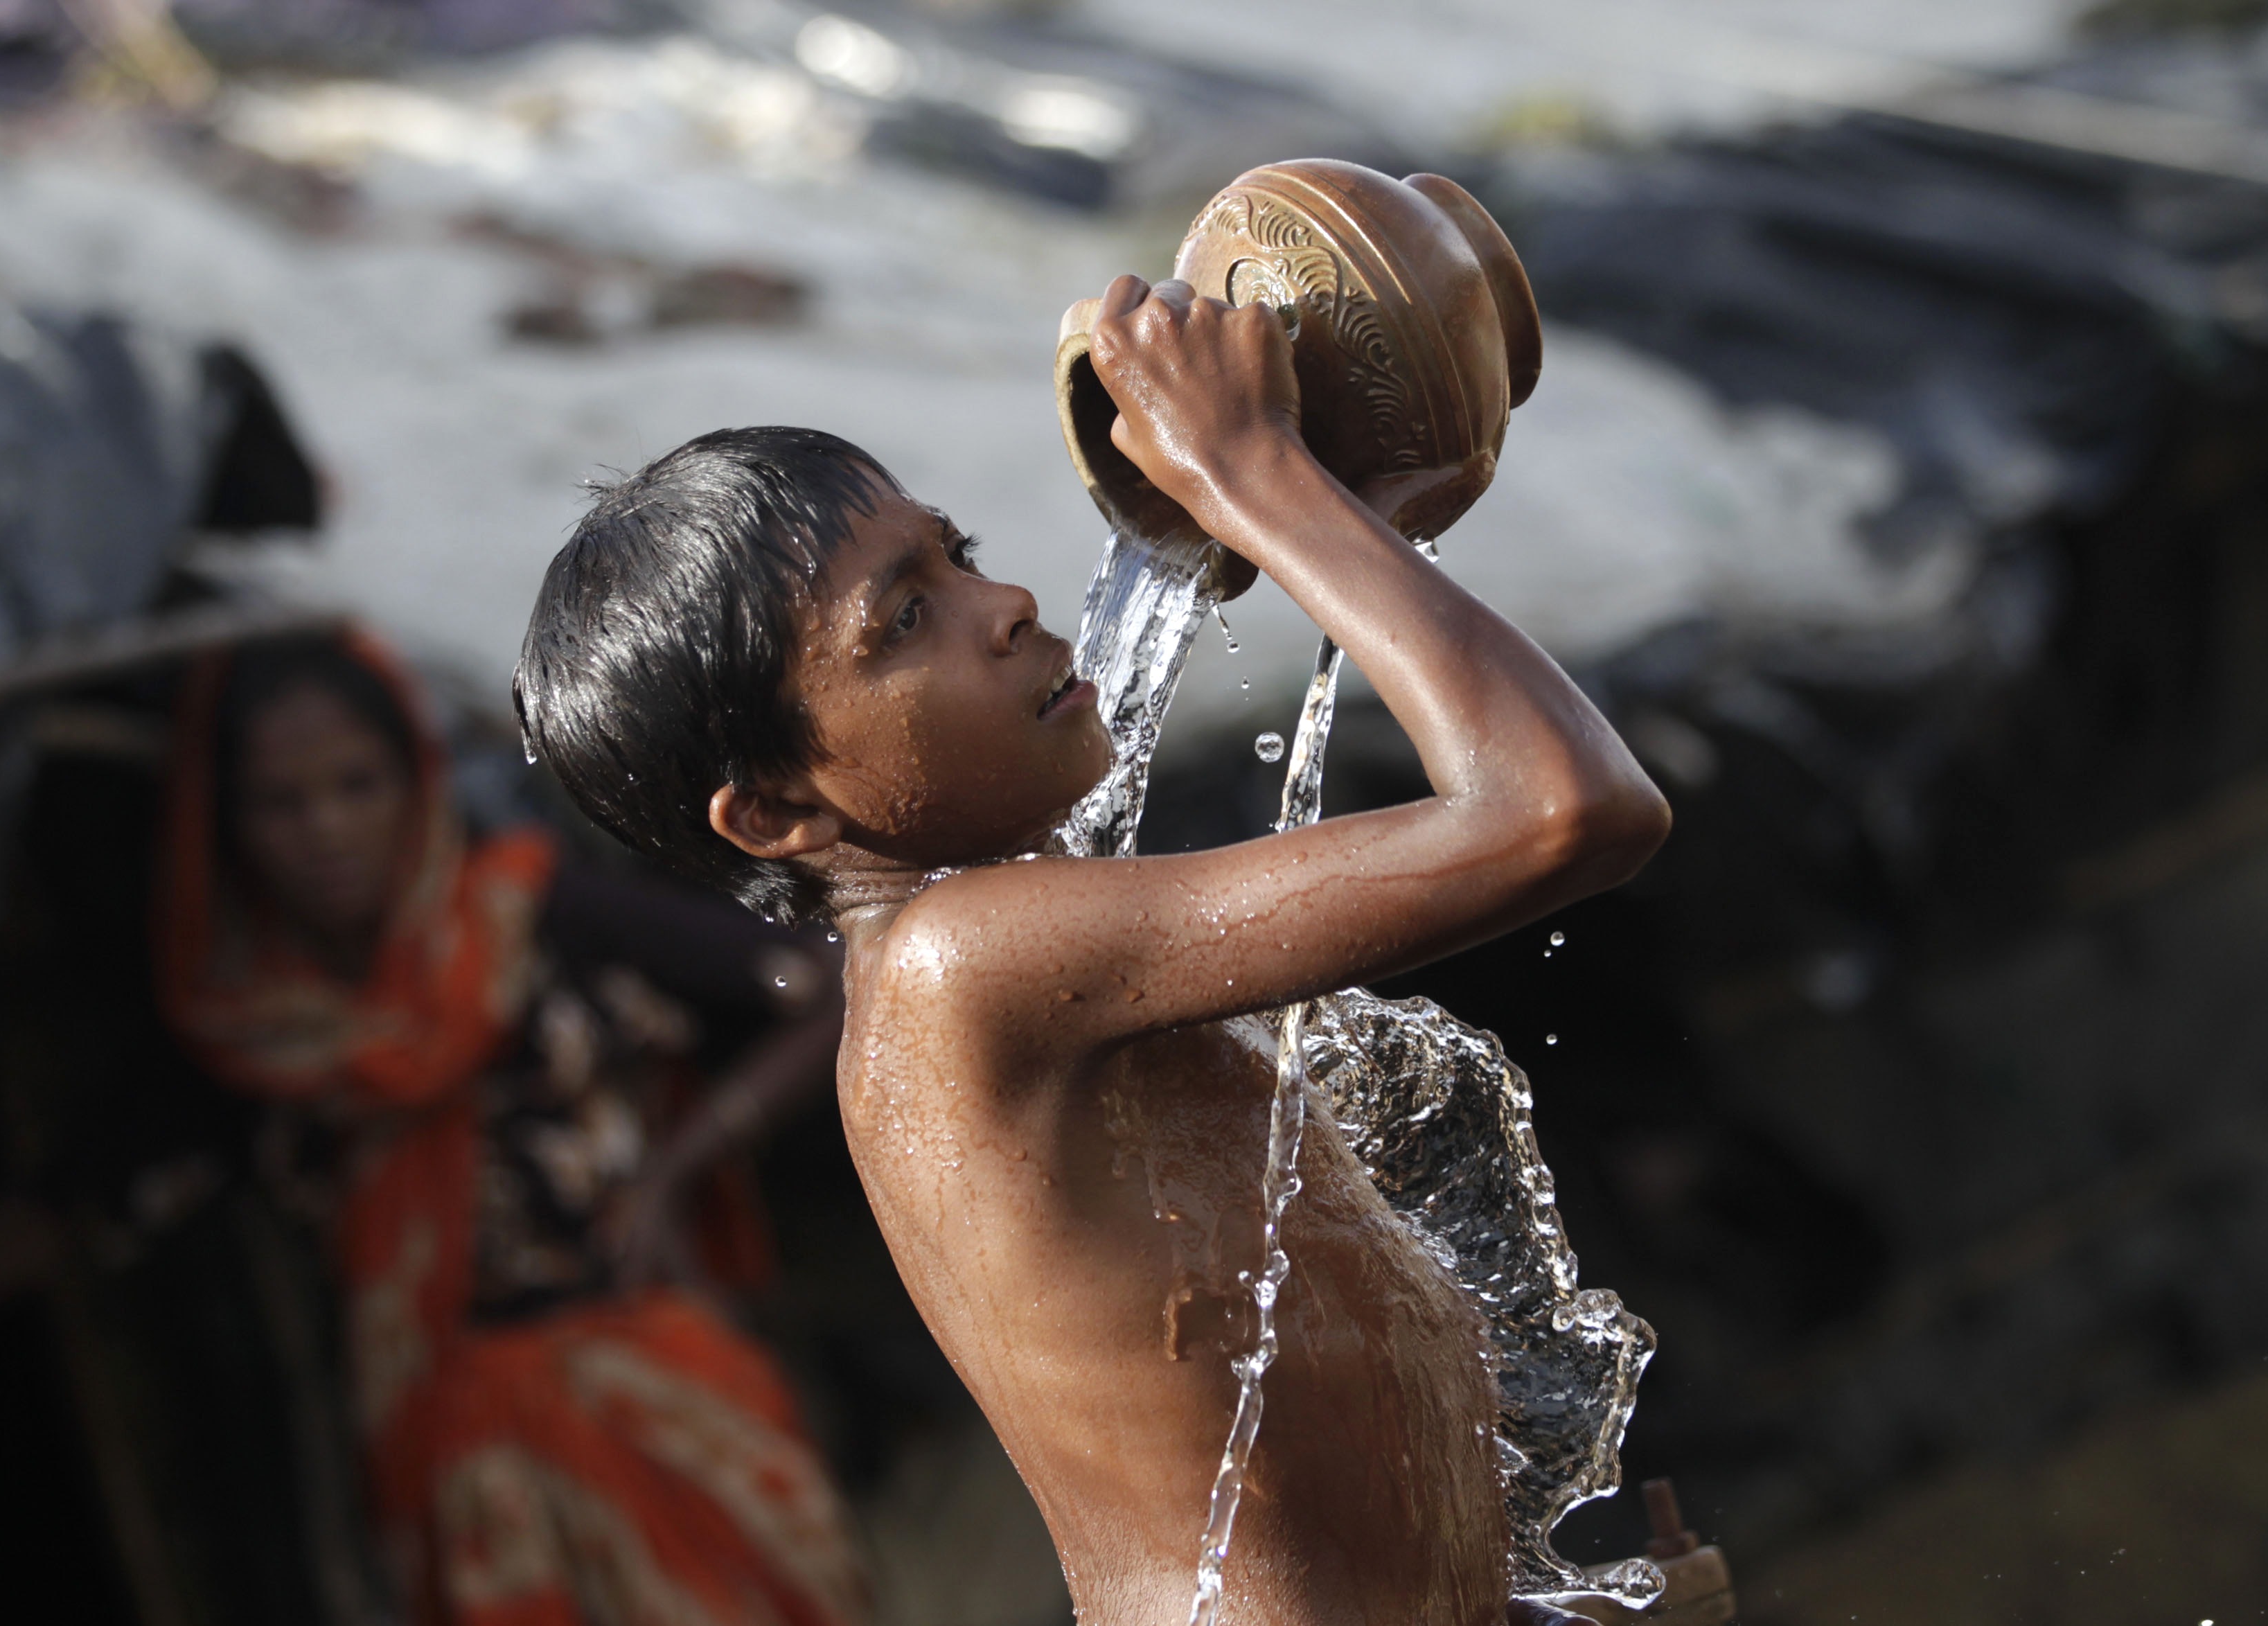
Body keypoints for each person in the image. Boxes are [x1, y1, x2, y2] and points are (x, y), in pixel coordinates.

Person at [513, 277, 1669, 1626]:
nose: (1005, 602)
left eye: (957, 554)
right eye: (903, 620)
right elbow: (1565, 809)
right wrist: (1258, 479)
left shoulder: (1013, 946)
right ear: (775, 814)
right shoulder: (963, 968)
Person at [157, 626, 869, 1626]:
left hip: (665, 1402)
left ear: (417, 780)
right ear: (226, 824)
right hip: (456, 1465)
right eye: (280, 803)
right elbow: (73, 1205)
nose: (325, 830)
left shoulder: (536, 913)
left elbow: (824, 984)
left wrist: (677, 1168)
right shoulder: (258, 1037)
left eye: (357, 785)